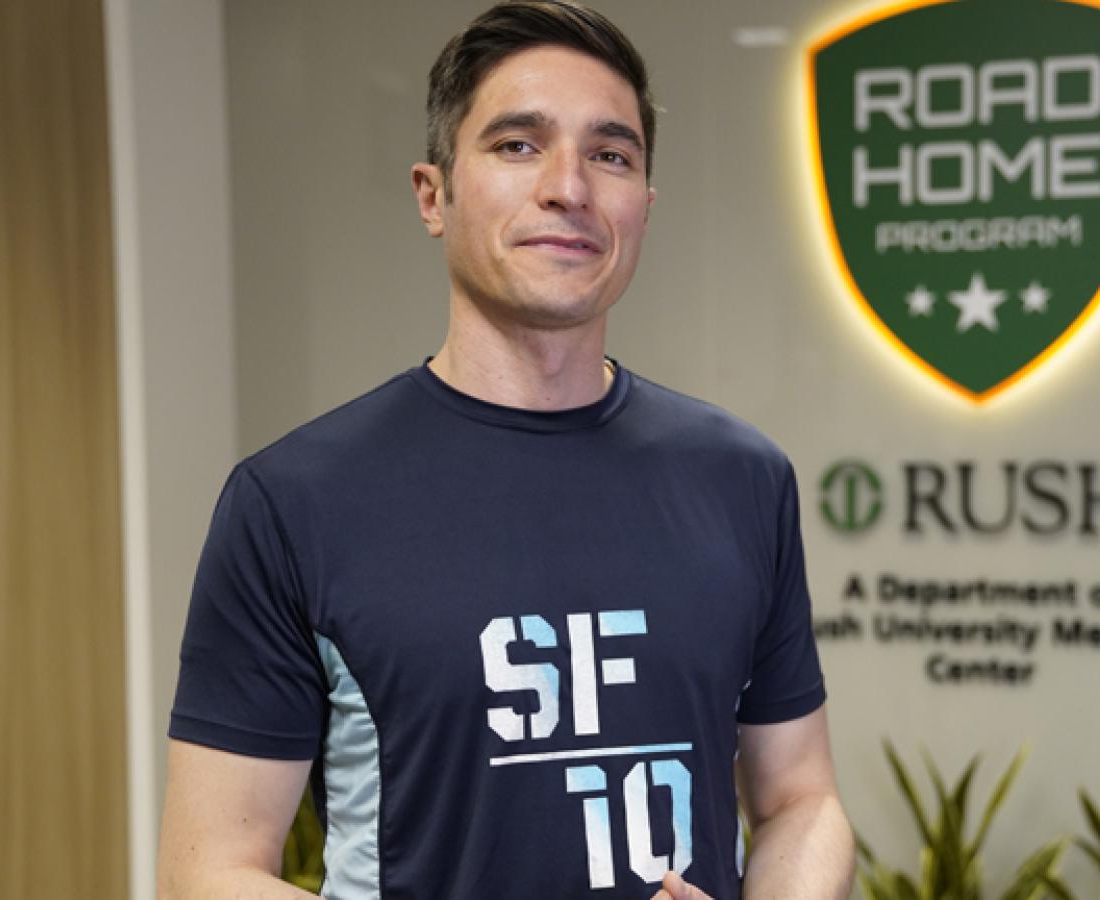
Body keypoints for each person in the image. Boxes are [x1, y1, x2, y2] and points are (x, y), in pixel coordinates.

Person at [155, 2, 854, 897]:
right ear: (433, 195)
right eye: (518, 145)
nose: (570, 187)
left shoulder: (742, 478)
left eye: (611, 155)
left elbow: (801, 800)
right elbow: (207, 871)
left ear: (644, 206)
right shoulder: (294, 502)